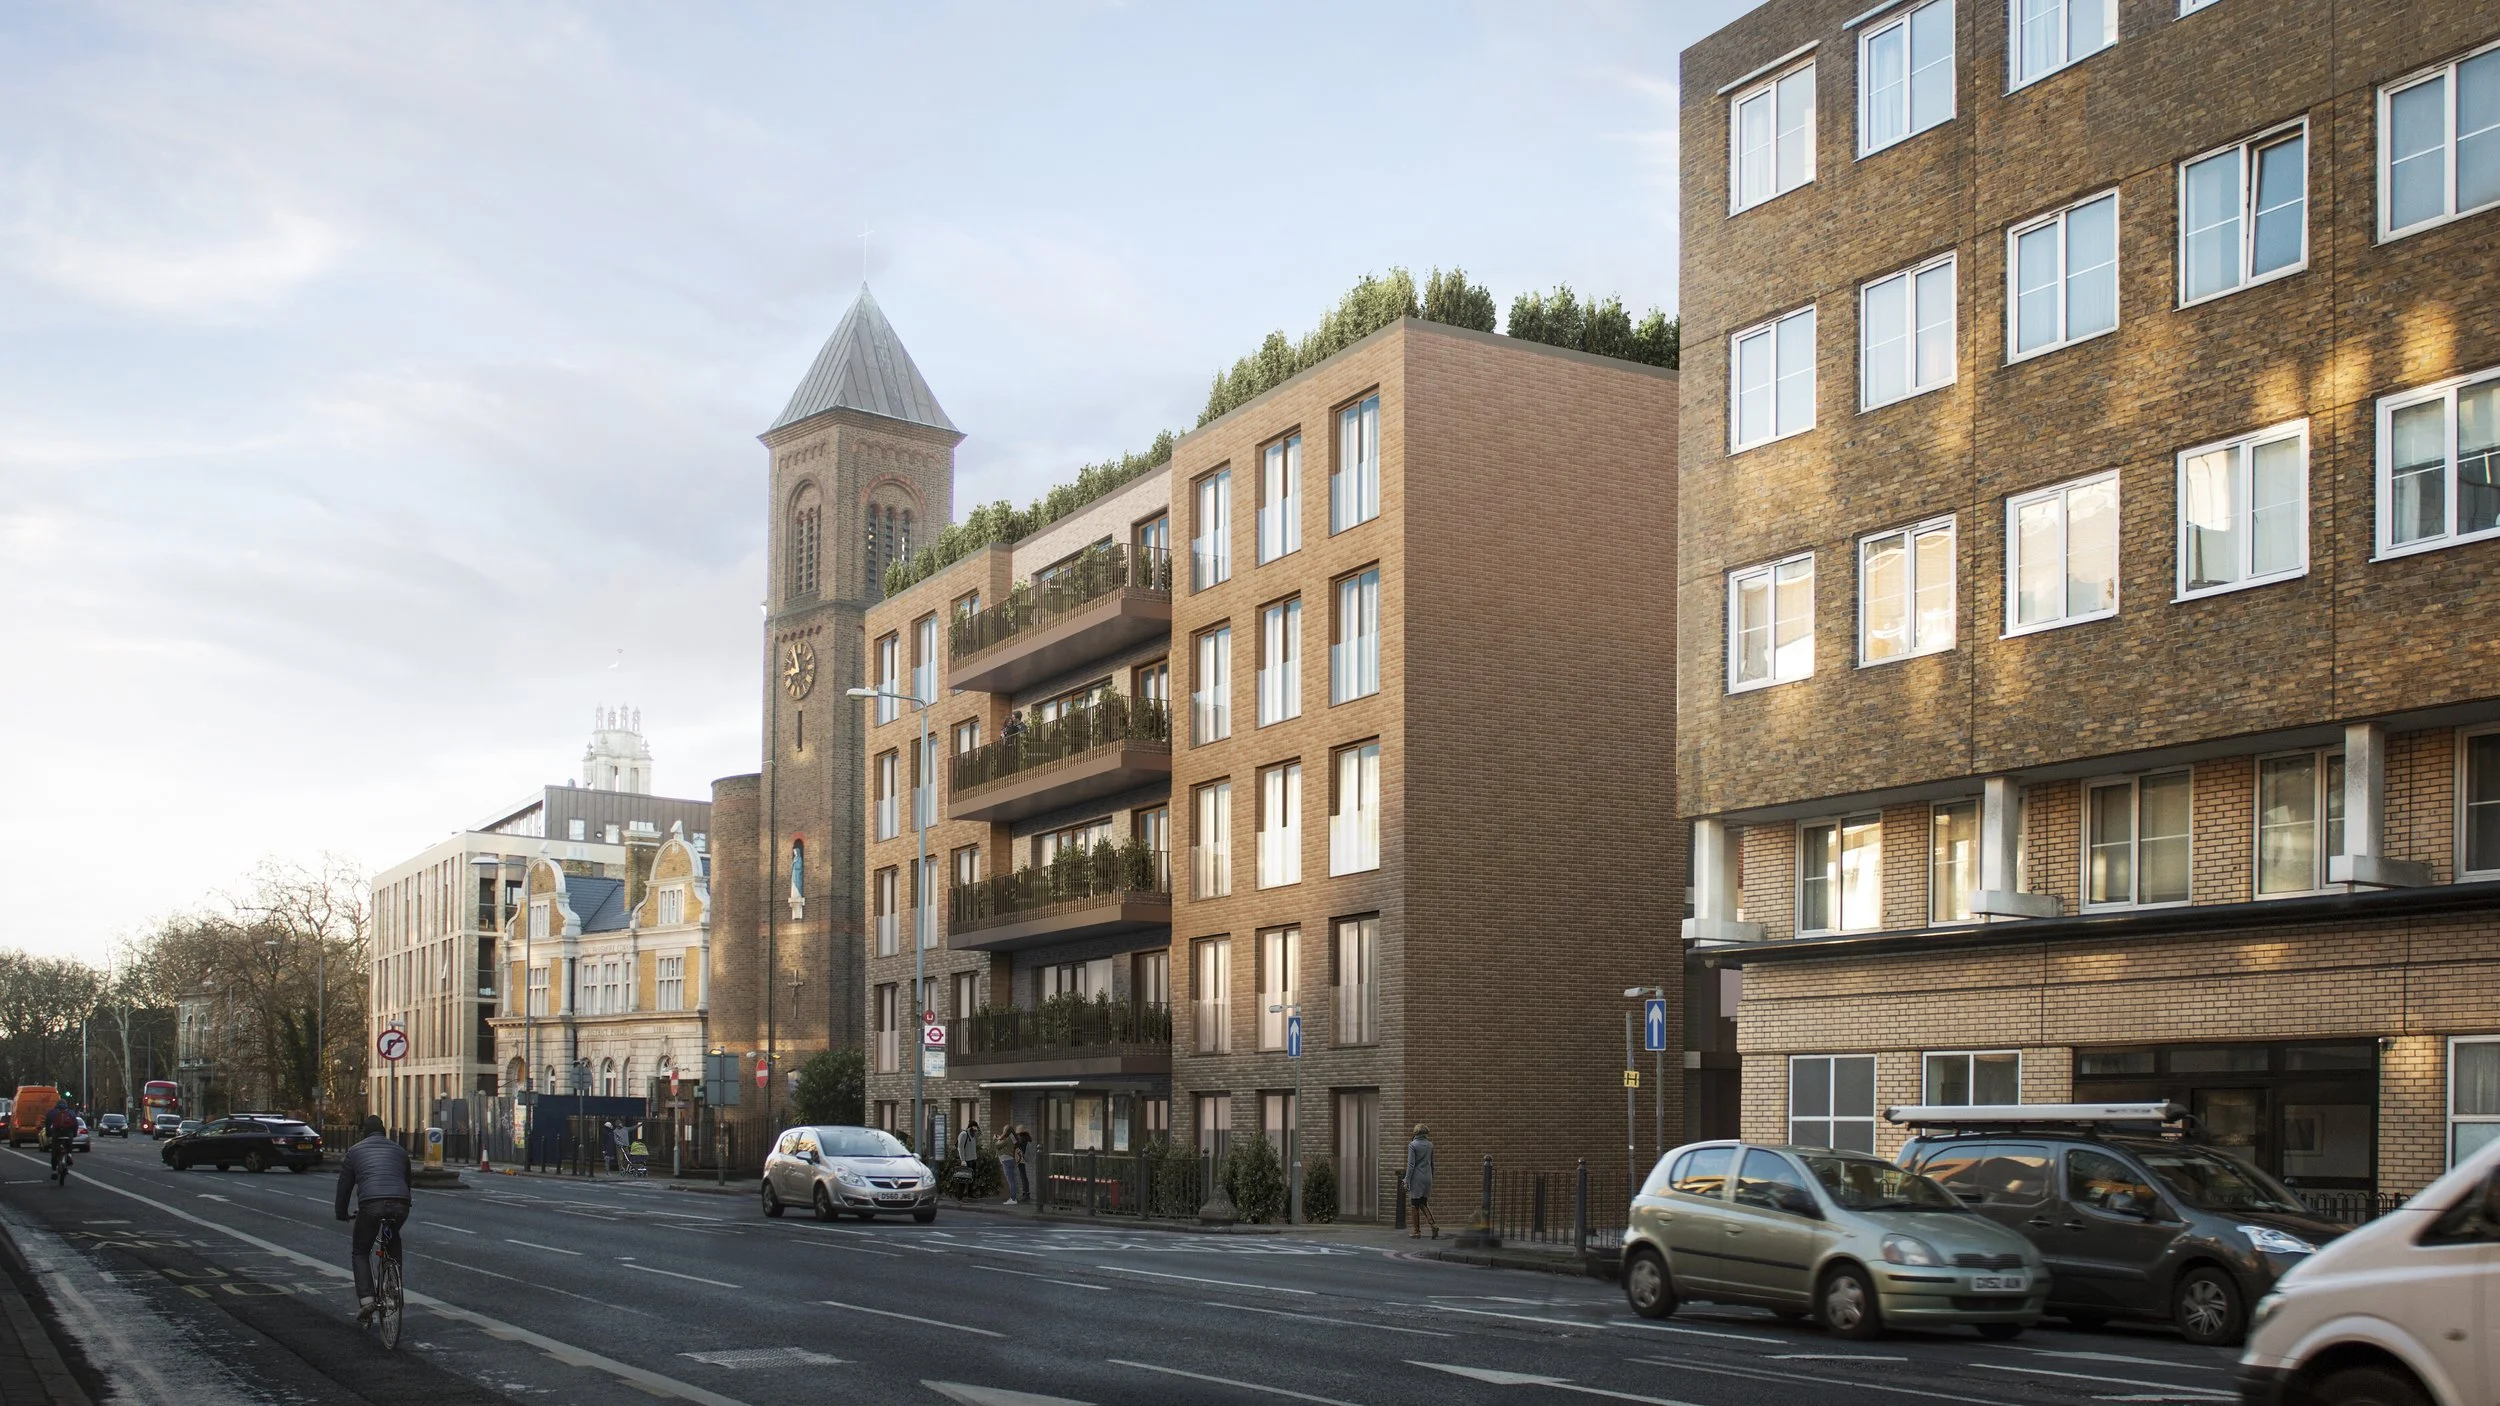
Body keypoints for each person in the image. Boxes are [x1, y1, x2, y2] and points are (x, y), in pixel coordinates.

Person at [334, 1114, 414, 1323]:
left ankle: (367, 1299)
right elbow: (406, 1181)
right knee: (393, 1241)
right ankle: (394, 1290)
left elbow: (344, 1187)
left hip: (371, 1204)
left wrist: (341, 1213)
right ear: (384, 1131)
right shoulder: (399, 1150)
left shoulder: (355, 1151)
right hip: (400, 1203)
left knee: (361, 1250)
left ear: (364, 1132)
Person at [1405, 1124, 1438, 1240]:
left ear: (1416, 1132)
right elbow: (1432, 1164)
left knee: (1414, 1203)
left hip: (1416, 1177)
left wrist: (1406, 1179)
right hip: (1427, 1176)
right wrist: (1431, 1177)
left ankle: (1416, 1231)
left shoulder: (1412, 1145)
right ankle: (1433, 1224)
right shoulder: (1430, 1145)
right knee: (1423, 1202)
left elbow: (1411, 1165)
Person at [43, 1101, 79, 1176]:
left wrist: (48, 1134)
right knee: (69, 1147)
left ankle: (54, 1170)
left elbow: (48, 1124)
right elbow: (76, 1124)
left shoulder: (52, 1113)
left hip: (57, 1134)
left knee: (54, 1152)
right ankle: (69, 1155)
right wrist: (74, 1134)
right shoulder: (71, 1112)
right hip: (68, 1134)